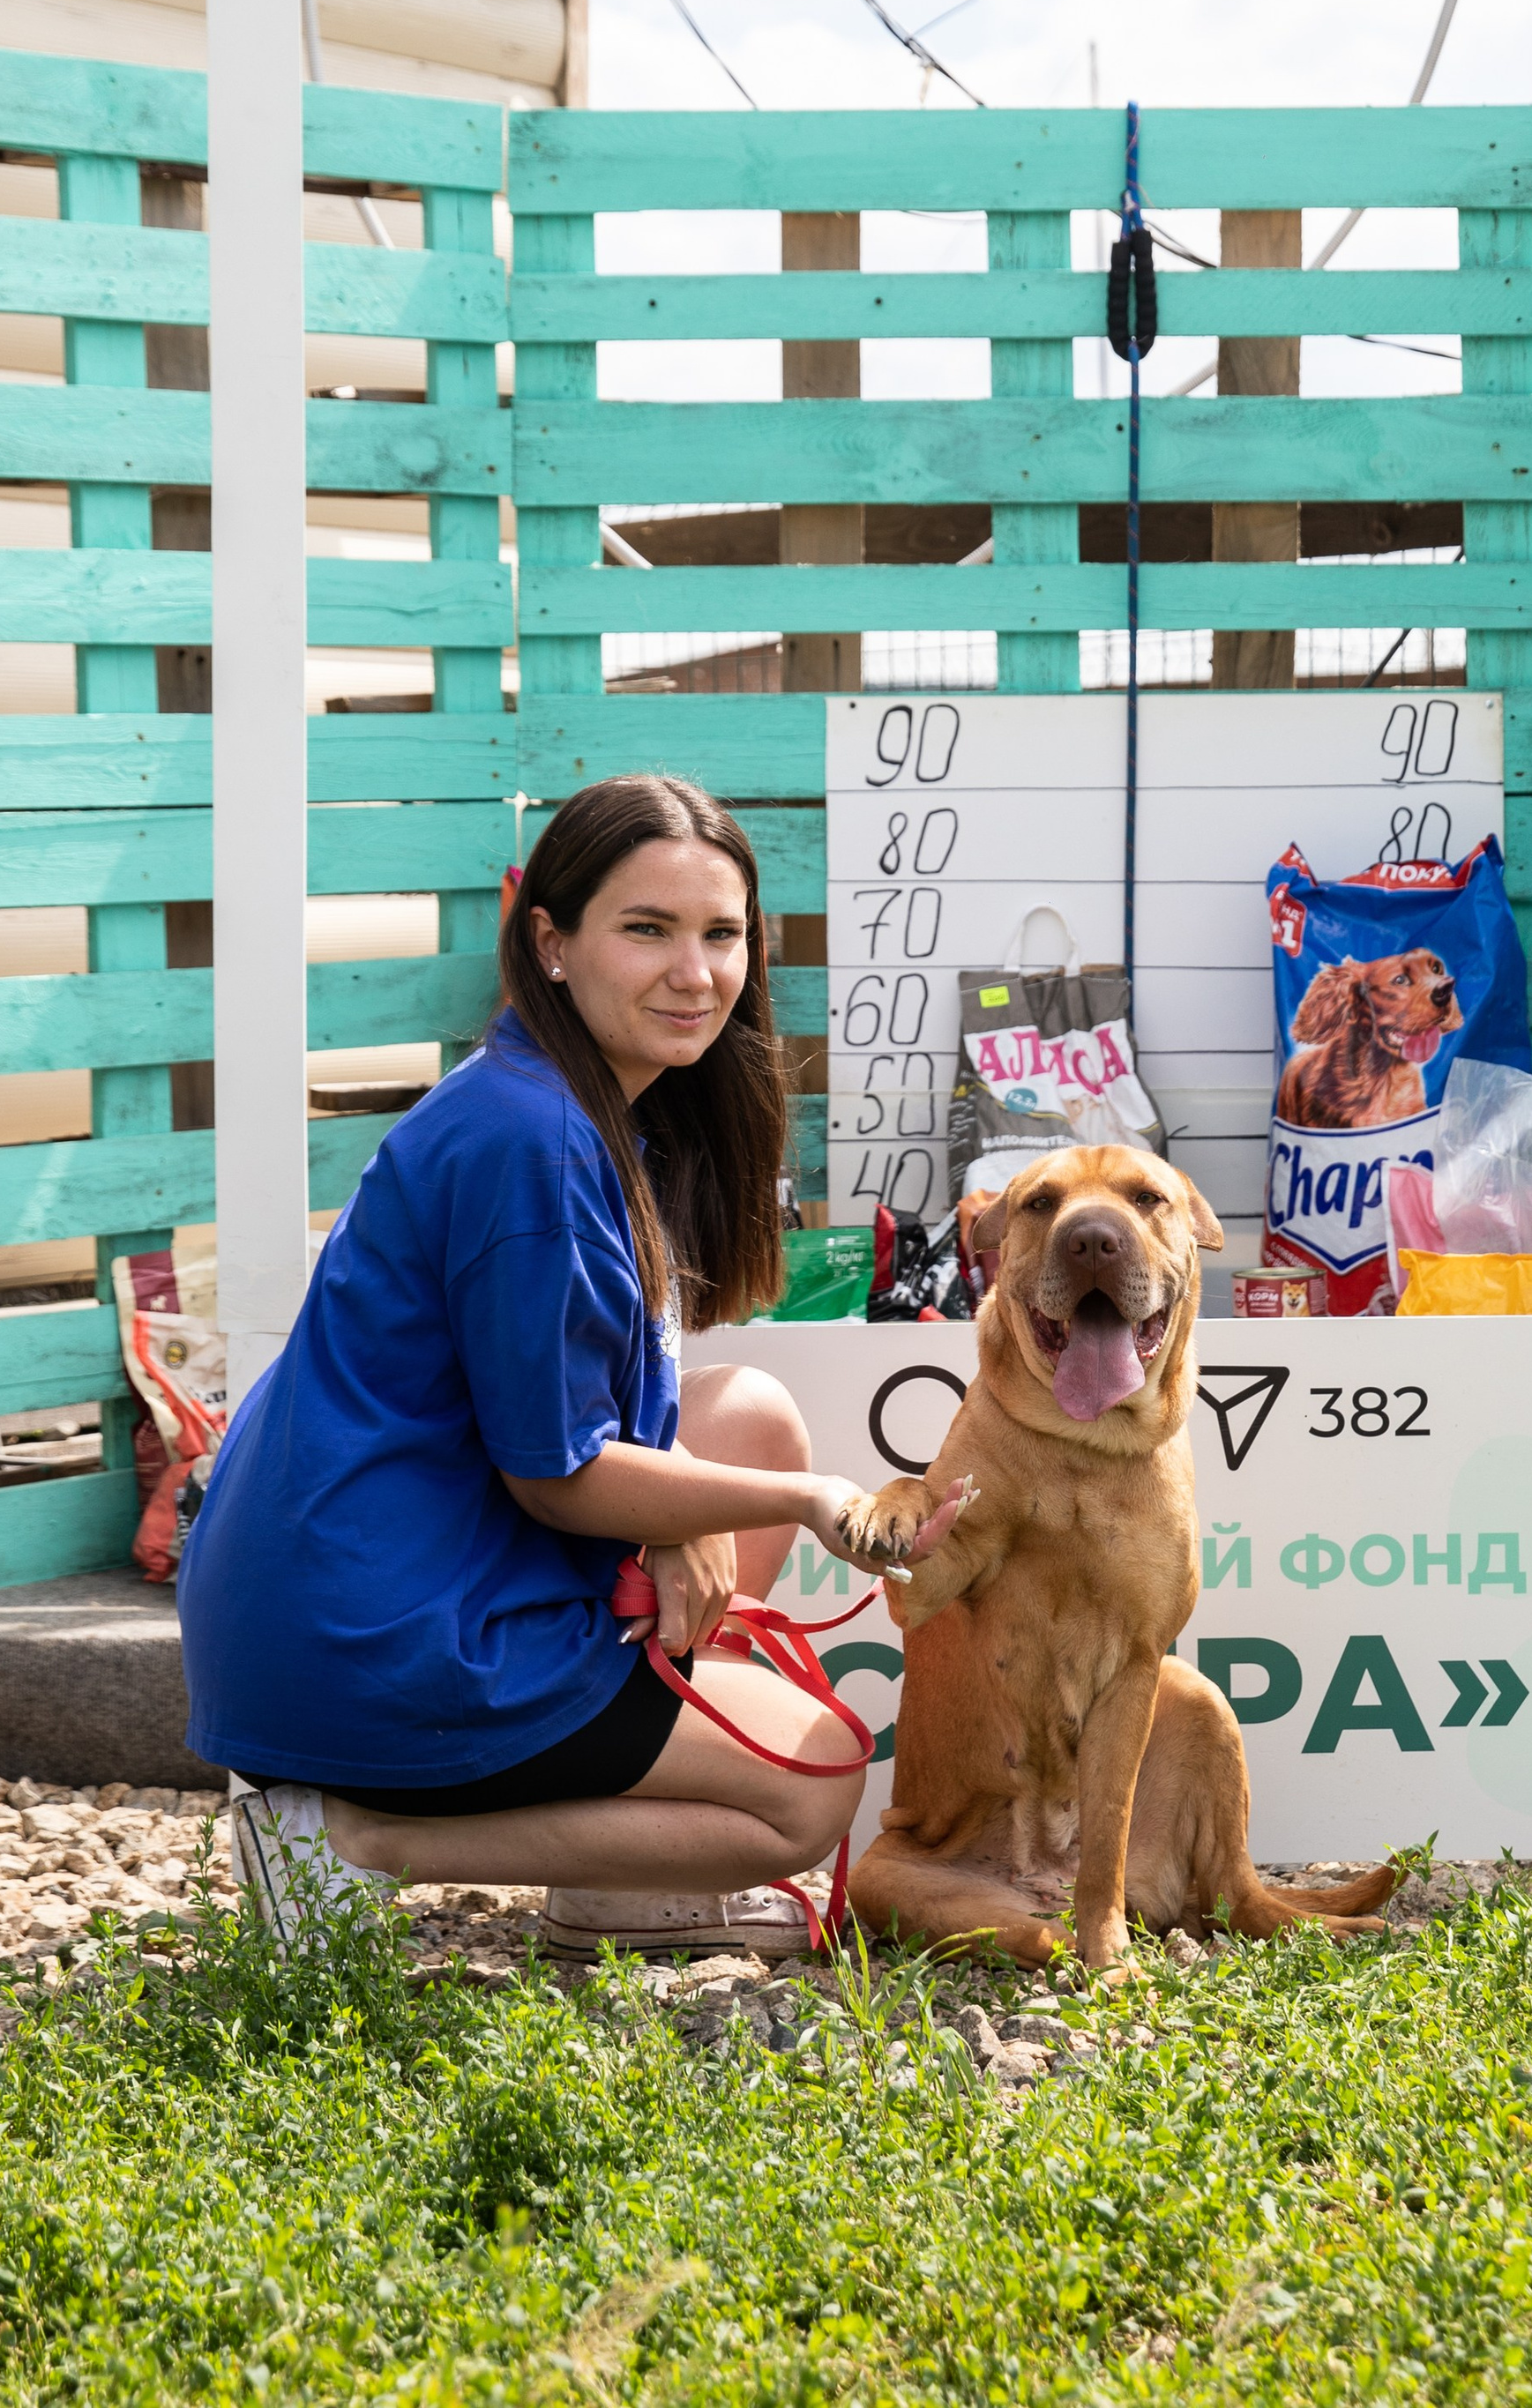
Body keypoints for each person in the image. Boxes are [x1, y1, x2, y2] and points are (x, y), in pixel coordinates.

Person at [179, 772, 960, 1960]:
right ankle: (347, 1839)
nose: (694, 973)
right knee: (812, 1783)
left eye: (721, 933)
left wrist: (689, 1501)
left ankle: (618, 1885)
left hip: (393, 1558)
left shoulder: (571, 1105)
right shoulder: (531, 1143)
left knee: (743, 1415)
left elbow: (580, 1431)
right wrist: (807, 1505)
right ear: (550, 941)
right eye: (646, 929)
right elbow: (559, 1479)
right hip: (378, 1626)